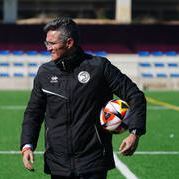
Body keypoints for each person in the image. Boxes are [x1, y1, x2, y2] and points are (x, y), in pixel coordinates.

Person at [20, 17, 146, 179]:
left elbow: (135, 95)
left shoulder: (99, 67)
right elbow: (33, 113)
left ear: (69, 43)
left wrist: (134, 132)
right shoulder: (45, 72)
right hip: (57, 163)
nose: (48, 48)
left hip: (93, 161)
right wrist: (27, 145)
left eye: (52, 44)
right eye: (46, 43)